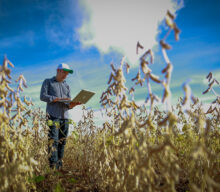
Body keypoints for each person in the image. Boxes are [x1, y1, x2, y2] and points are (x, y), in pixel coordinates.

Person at [40, 63, 81, 170]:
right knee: (53, 141)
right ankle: (53, 169)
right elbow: (43, 96)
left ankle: (60, 167)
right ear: (58, 70)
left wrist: (73, 104)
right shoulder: (48, 82)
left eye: (67, 73)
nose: (65, 75)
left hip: (65, 117)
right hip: (53, 116)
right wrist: (57, 98)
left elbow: (68, 104)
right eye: (64, 72)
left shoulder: (67, 86)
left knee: (62, 142)